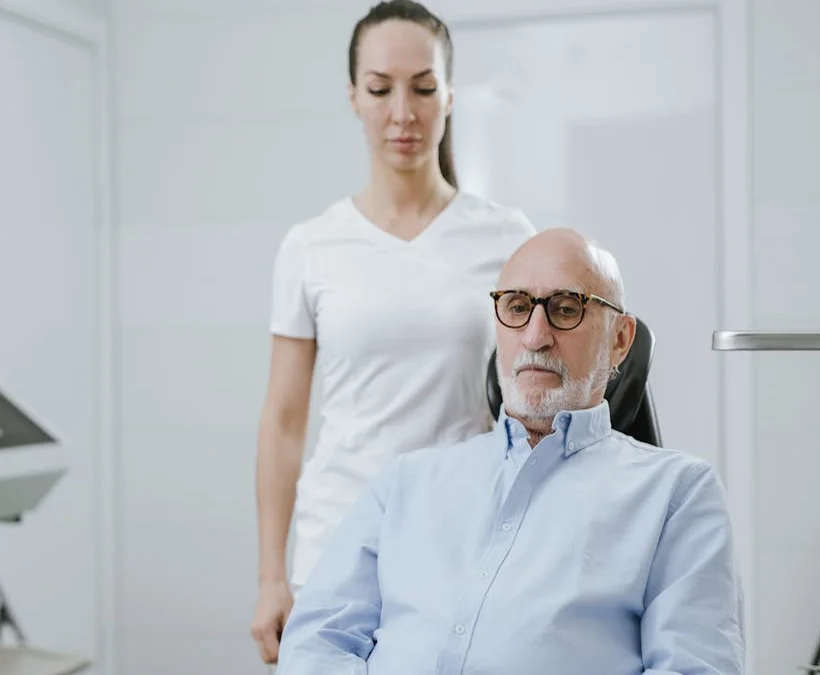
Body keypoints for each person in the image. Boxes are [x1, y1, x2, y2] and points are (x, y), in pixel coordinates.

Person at [274, 228, 746, 675]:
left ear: (620, 340)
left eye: (565, 309)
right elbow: (318, 641)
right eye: (517, 307)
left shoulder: (677, 495)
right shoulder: (406, 483)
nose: (535, 336)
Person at [250, 0, 537, 665]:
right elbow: (284, 421)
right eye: (380, 89)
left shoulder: (505, 236)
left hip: (463, 540)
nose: (403, 113)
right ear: (353, 96)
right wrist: (270, 576)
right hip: (337, 542)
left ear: (451, 94)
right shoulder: (311, 245)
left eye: (423, 87)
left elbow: (534, 407)